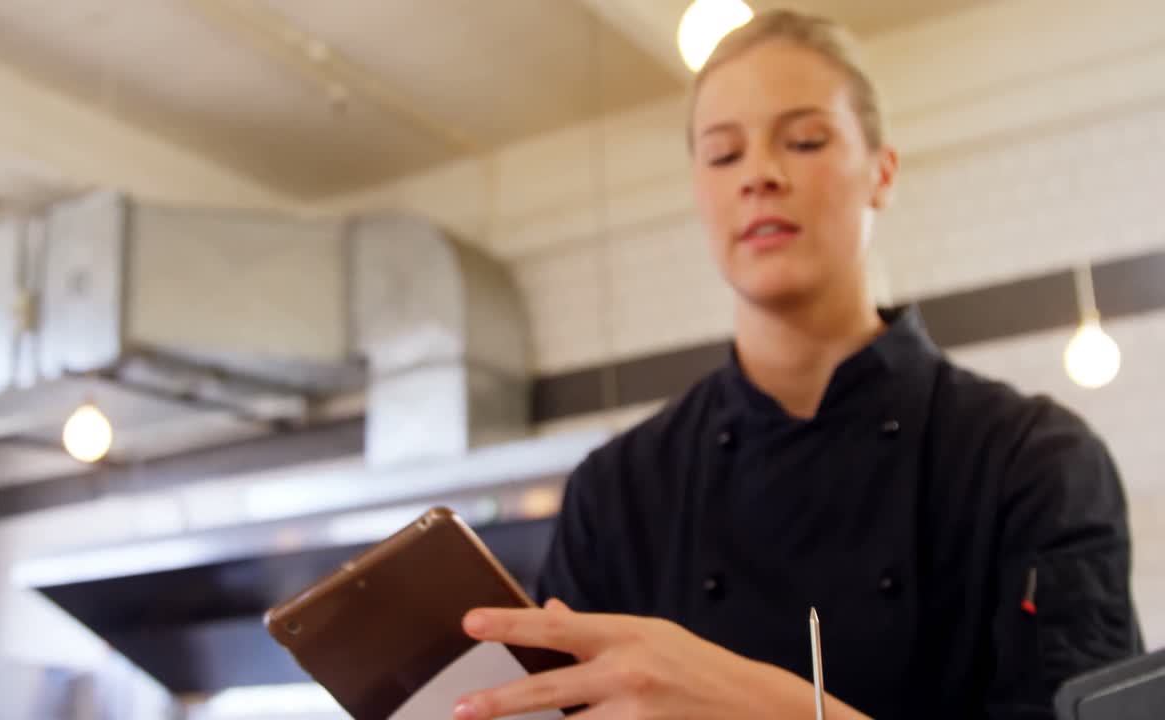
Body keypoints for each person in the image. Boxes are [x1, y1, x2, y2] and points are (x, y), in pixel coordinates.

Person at [452, 9, 1141, 720]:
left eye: (805, 140)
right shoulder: (615, 494)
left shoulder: (1033, 462)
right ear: (699, 191)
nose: (760, 175)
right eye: (724, 155)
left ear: (882, 172)